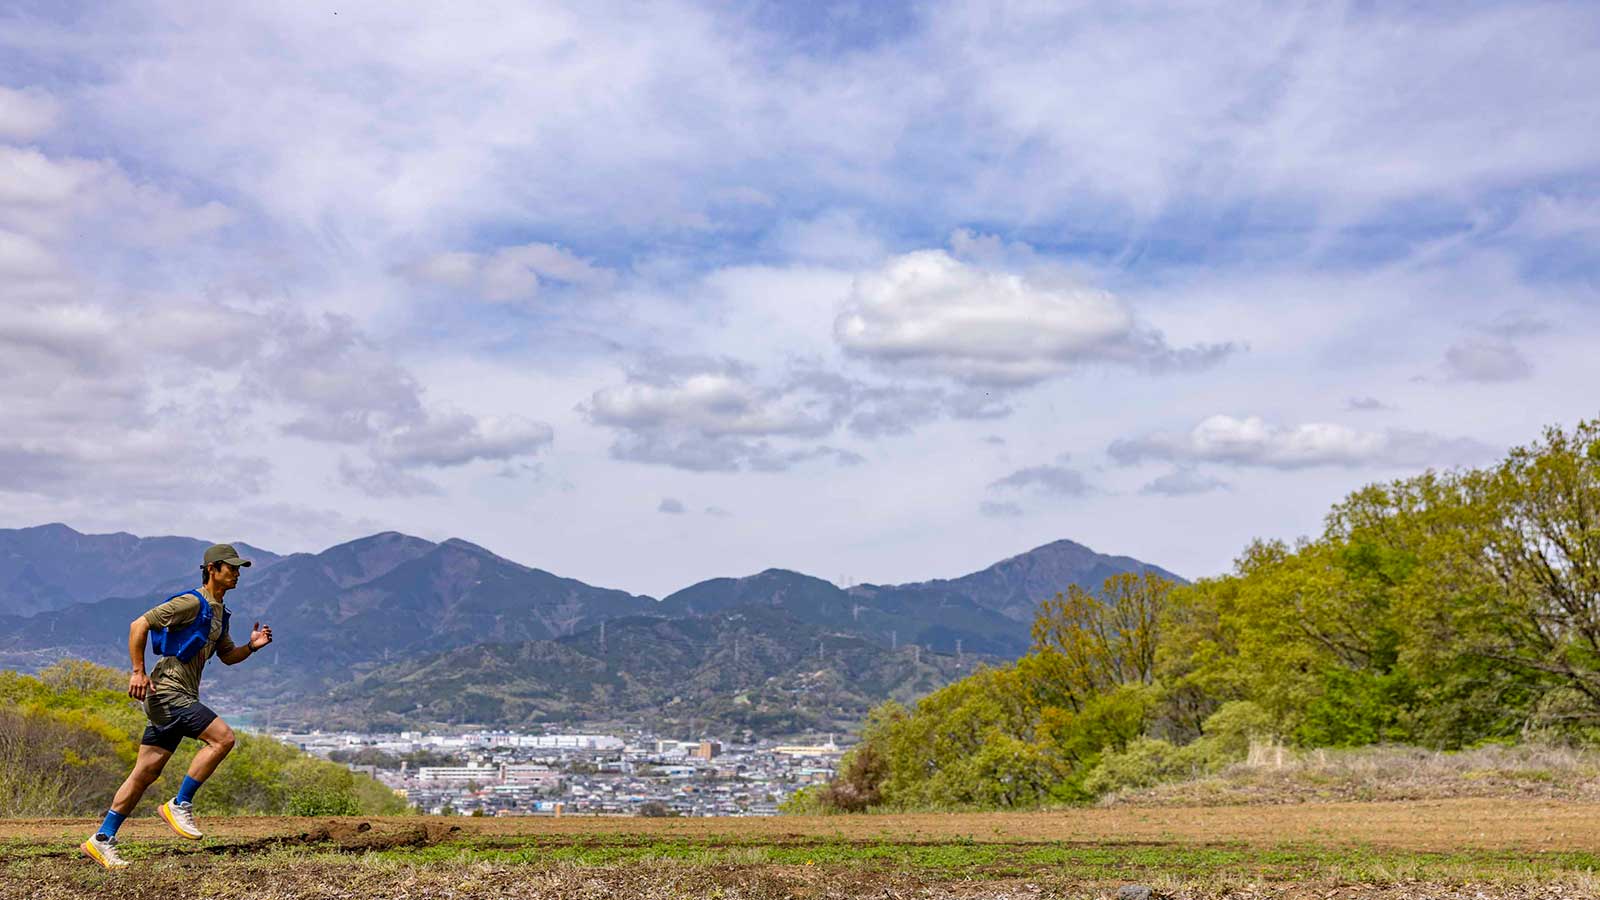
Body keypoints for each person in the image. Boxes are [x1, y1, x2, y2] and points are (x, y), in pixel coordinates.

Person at [81, 543, 273, 870]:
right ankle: (179, 803)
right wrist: (138, 671)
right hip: (168, 693)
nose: (238, 574)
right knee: (223, 739)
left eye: (240, 569)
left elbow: (227, 656)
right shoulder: (190, 602)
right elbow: (138, 625)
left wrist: (251, 648)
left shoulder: (219, 614)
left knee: (146, 772)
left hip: (175, 698)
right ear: (212, 569)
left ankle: (101, 840)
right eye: (231, 567)